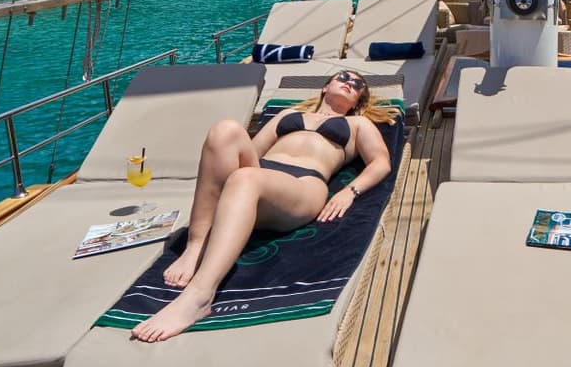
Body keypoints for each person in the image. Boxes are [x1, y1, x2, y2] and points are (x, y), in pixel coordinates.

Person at [131, 69, 396, 342]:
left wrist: (349, 191)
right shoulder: (287, 115)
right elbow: (252, 151)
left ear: (358, 101)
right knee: (225, 130)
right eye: (344, 78)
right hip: (261, 172)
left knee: (246, 177)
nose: (350, 84)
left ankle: (199, 296)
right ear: (326, 86)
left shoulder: (357, 125)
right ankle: (196, 244)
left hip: (303, 184)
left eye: (357, 85)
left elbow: (381, 162)